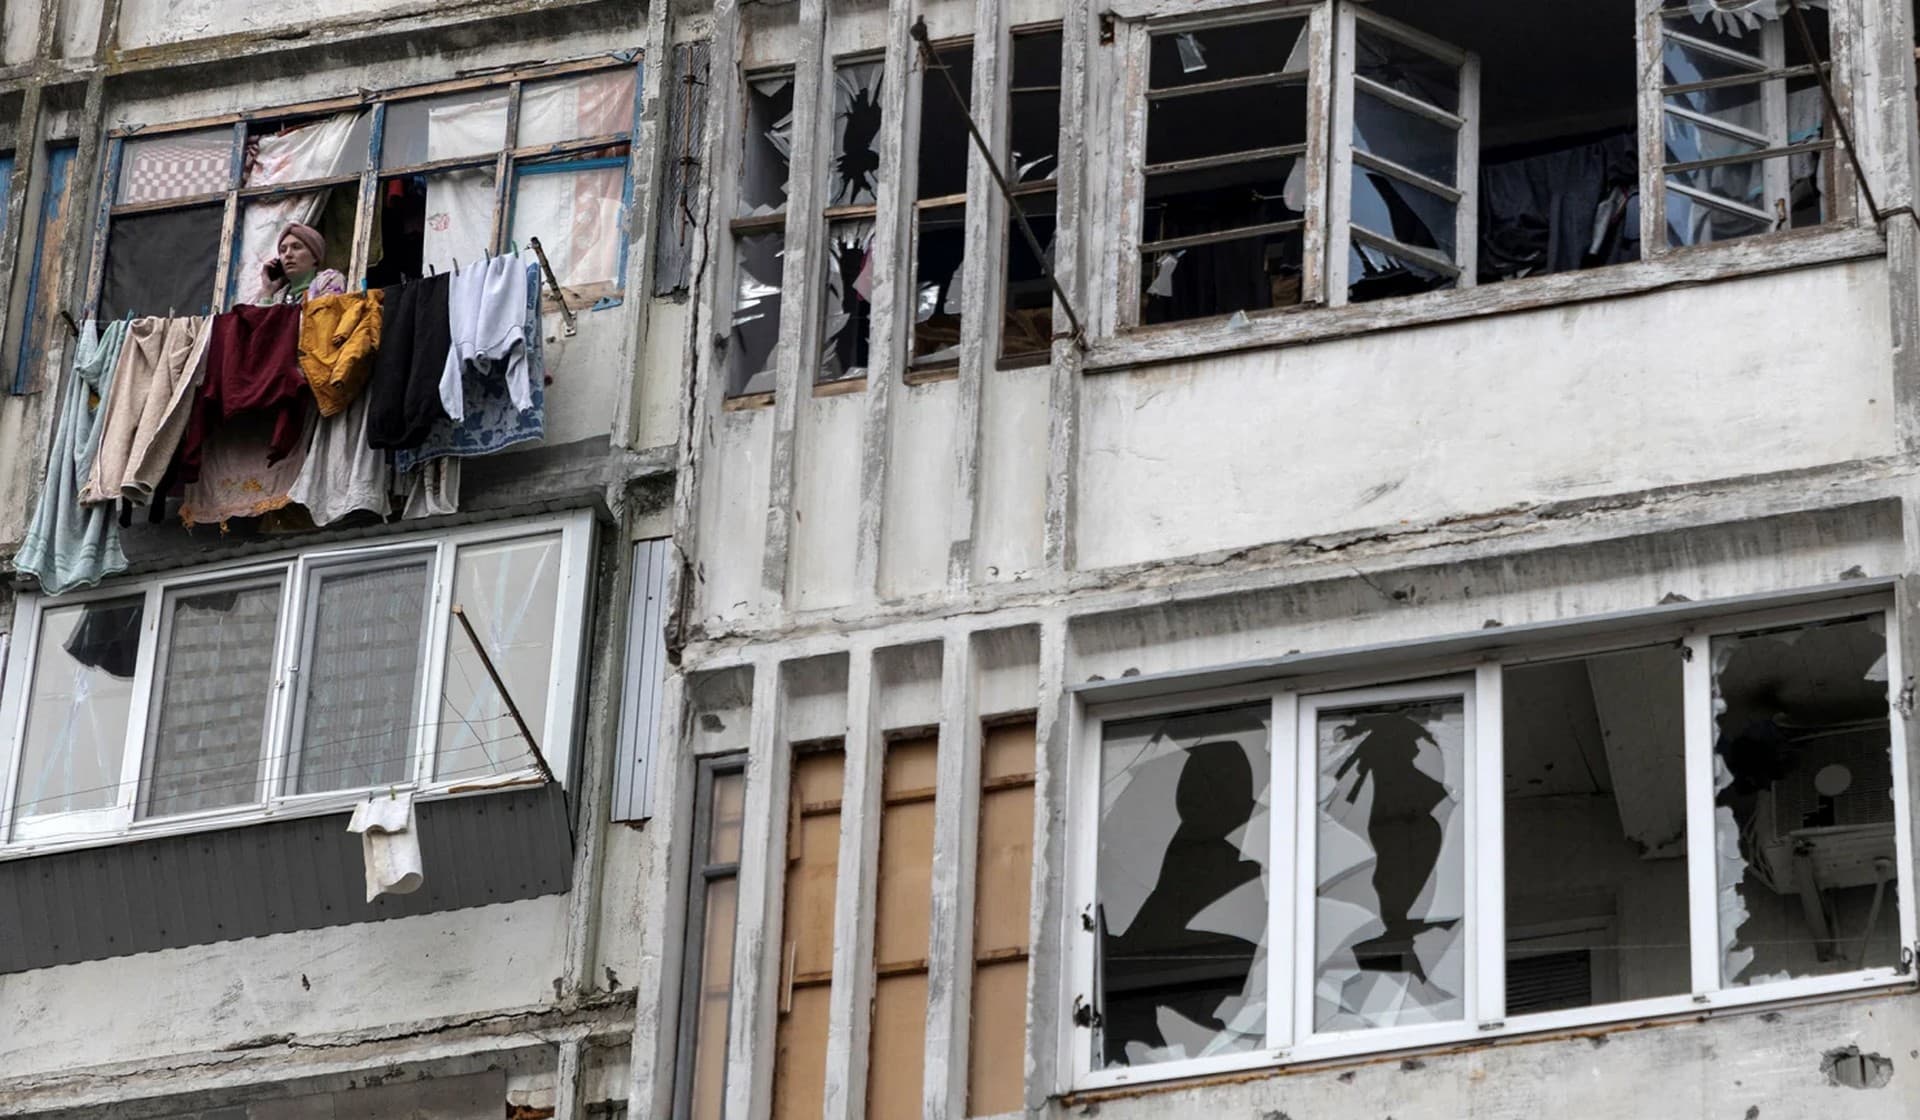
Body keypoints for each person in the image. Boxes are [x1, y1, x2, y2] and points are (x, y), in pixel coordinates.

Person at [260, 222, 347, 305]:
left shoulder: (329, 280)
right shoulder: (278, 297)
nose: (288, 254)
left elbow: (325, 317)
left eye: (296, 247)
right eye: (283, 250)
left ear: (315, 256)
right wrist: (267, 292)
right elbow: (265, 320)